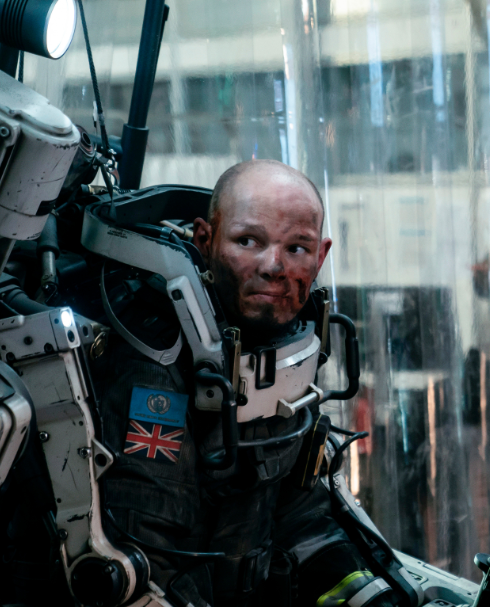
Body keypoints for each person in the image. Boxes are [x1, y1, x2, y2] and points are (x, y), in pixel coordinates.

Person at [91, 159, 400, 607]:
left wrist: (363, 594)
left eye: (297, 248)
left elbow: (299, 513)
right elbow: (149, 557)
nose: (274, 266)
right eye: (248, 241)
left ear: (321, 256)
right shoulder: (157, 362)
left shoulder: (290, 348)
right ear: (205, 240)